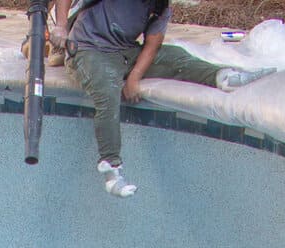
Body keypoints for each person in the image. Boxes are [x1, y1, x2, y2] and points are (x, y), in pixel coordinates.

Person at [51, 0, 272, 197]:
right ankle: (111, 169)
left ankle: (224, 76)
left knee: (176, 57)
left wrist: (135, 77)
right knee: (108, 91)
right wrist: (60, 27)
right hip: (88, 50)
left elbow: (153, 44)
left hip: (126, 52)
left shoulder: (159, 6)